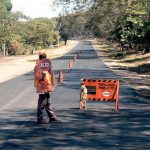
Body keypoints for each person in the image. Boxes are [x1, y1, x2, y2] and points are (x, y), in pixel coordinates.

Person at [34, 51, 58, 124]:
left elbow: (49, 75)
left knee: (47, 102)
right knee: (42, 102)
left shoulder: (45, 65)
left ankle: (52, 117)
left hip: (46, 86)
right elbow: (38, 77)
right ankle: (40, 118)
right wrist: (43, 76)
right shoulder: (38, 66)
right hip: (42, 86)